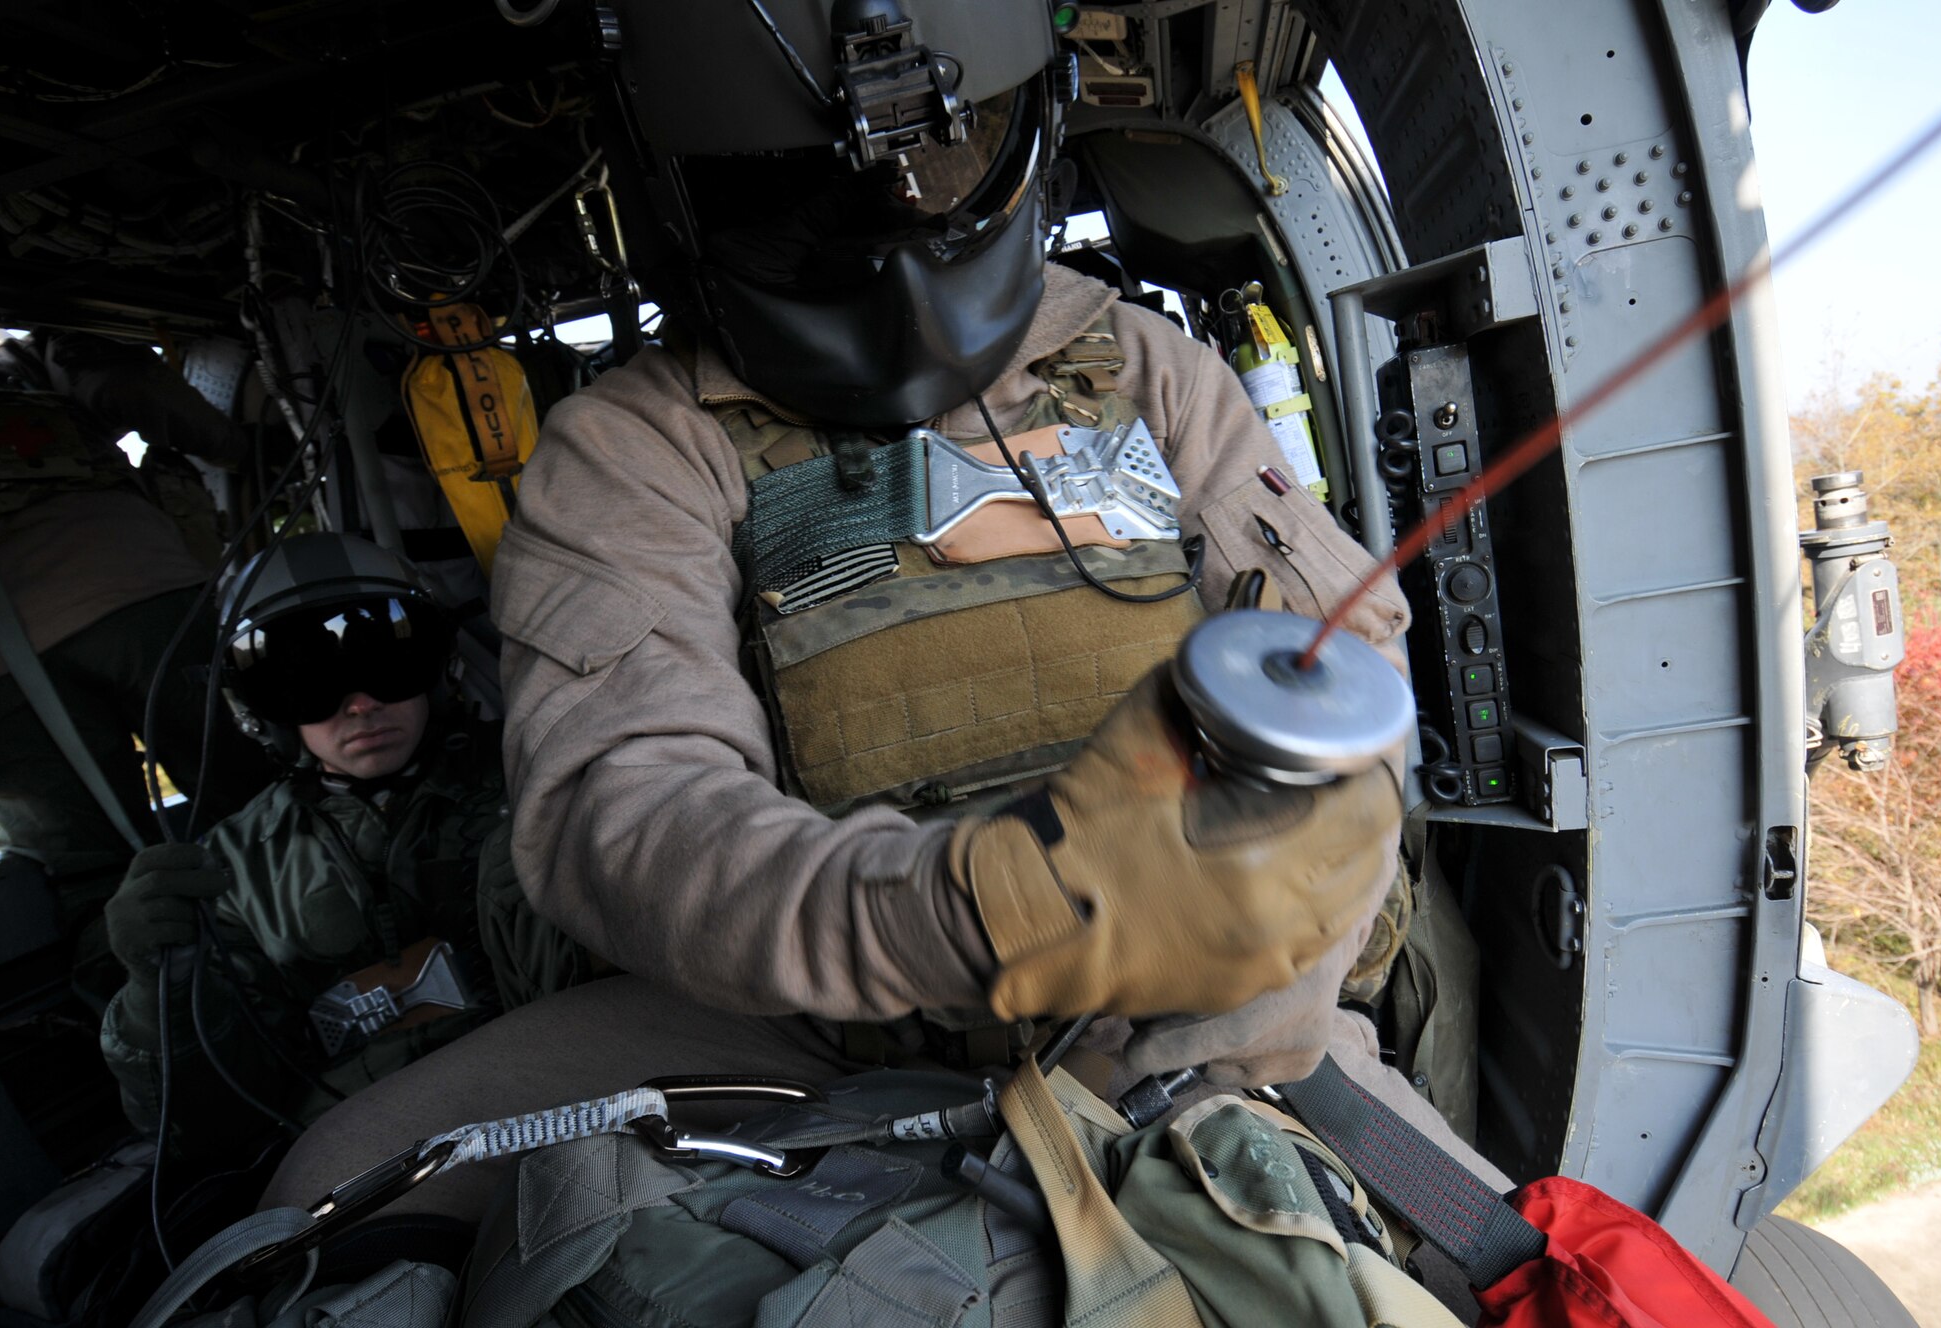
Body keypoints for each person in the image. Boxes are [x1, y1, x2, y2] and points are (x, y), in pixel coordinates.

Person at [261, 0, 1504, 1219]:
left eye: (949, 155)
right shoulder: (637, 447)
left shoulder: (1139, 367)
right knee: (333, 1191)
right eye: (791, 191)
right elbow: (625, 808)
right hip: (813, 1032)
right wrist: (978, 906)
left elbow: (1350, 667)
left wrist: (1262, 933)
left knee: (1513, 1269)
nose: (899, 214)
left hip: (1199, 1002)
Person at [97, 533, 585, 1159]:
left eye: (388, 664)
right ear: (261, 710)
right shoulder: (230, 873)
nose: (360, 704)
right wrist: (157, 990)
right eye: (307, 682)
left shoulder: (540, 778)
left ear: (437, 669)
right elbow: (197, 1123)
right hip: (362, 1160)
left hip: (564, 1103)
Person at [0, 330, 269, 909]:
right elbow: (132, 383)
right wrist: (238, 449)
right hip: (134, 589)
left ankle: (152, 989)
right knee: (251, 796)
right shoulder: (24, 362)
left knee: (86, 870)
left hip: (11, 678)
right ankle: (317, 943)